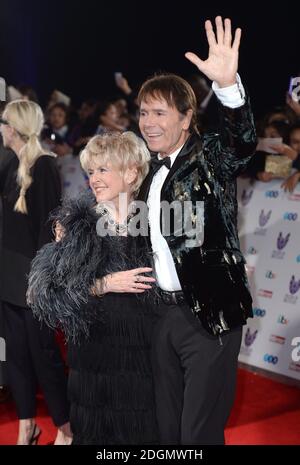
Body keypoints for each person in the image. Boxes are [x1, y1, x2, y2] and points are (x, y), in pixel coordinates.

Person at [136, 16, 257, 444]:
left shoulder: (208, 156)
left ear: (187, 118)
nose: (147, 122)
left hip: (210, 317)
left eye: (159, 113)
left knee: (198, 435)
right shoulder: (148, 172)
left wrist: (228, 87)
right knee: (167, 431)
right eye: (143, 112)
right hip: (160, 316)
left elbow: (242, 145)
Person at [27, 131, 159, 445]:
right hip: (93, 363)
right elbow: (43, 296)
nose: (93, 179)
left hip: (145, 362)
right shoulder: (77, 226)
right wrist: (103, 284)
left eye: (103, 170)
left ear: (130, 173)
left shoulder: (156, 224)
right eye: (91, 171)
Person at [0, 100, 72, 445]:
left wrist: (40, 282)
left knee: (45, 359)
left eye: (2, 123)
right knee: (16, 357)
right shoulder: (9, 163)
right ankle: (27, 426)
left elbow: (49, 228)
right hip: (8, 280)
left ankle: (66, 428)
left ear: (12, 127)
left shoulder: (45, 166)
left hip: (33, 283)